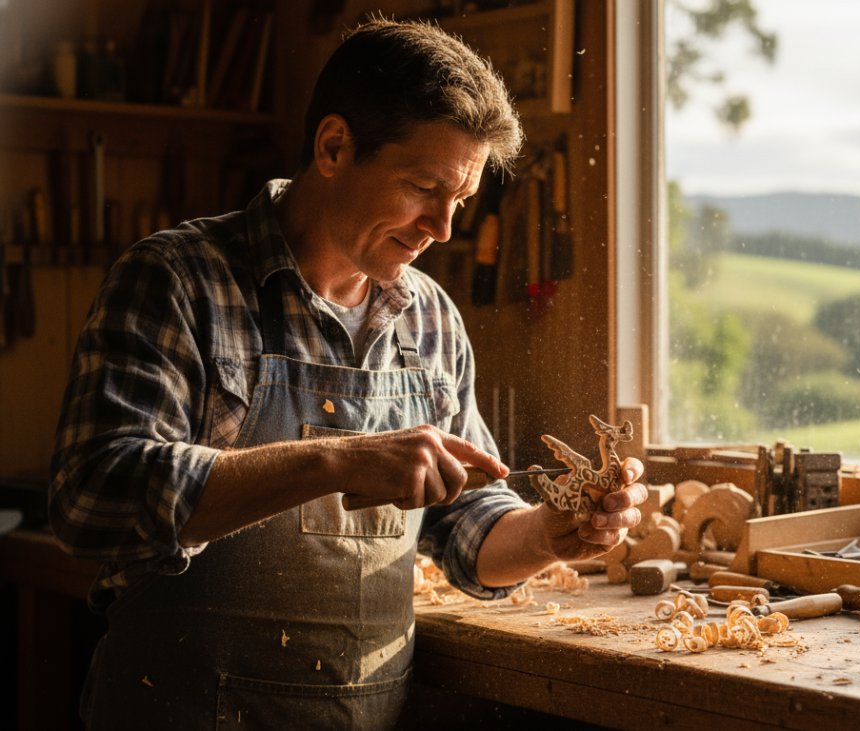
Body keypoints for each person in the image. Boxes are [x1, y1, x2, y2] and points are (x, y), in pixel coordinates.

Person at [48, 18, 646, 729]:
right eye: (423, 187)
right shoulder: (179, 280)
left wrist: (550, 534)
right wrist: (338, 459)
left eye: (460, 201)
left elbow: (466, 526)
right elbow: (92, 498)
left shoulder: (430, 319)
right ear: (333, 147)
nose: (443, 227)